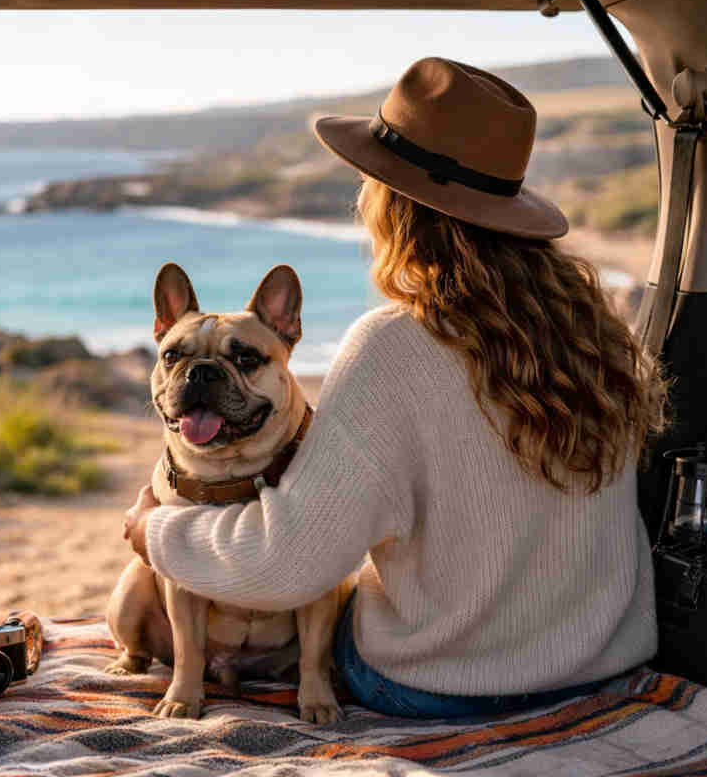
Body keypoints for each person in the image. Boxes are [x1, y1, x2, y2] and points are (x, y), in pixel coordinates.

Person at [123, 57, 668, 719]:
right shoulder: (598, 338)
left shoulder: (392, 346)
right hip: (603, 670)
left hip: (437, 682)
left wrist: (155, 529)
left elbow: (290, 567)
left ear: (391, 206)